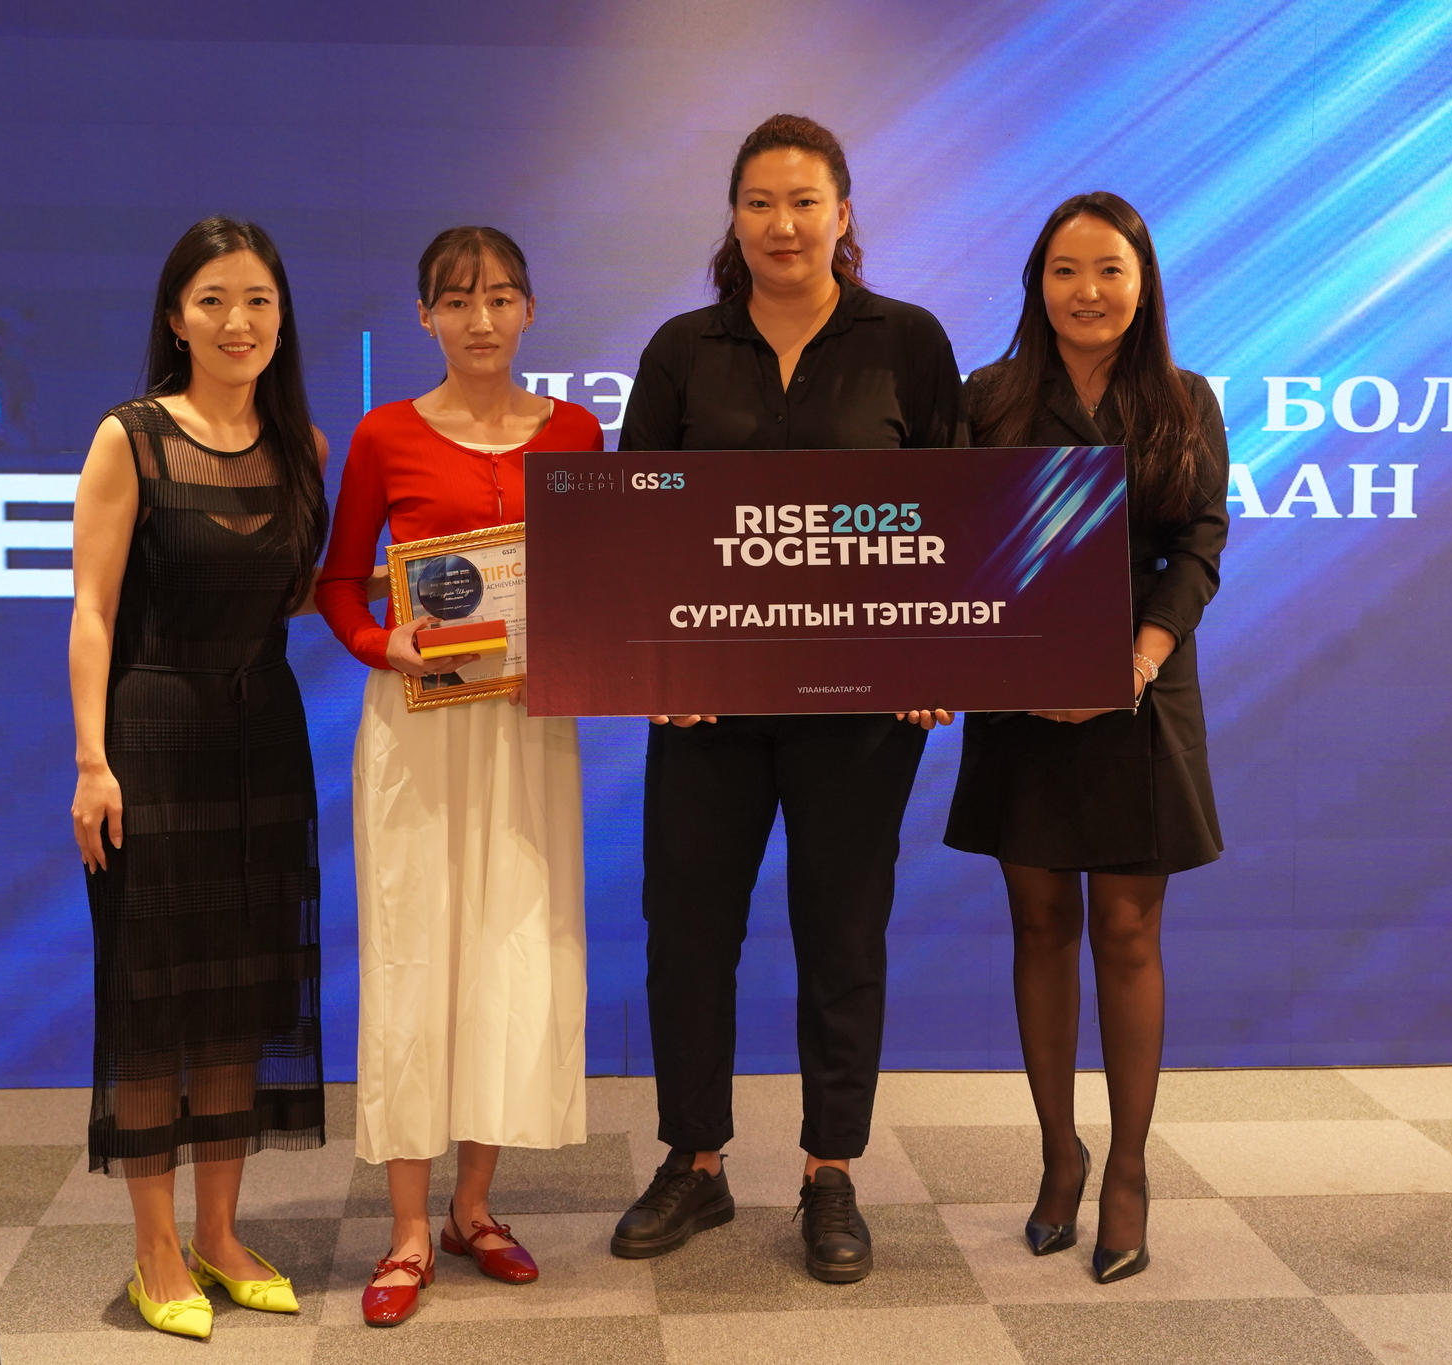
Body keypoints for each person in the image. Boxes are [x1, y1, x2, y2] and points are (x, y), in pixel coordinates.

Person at [608, 113, 962, 1285]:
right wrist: (651, 669)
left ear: (842, 214)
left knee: (841, 936)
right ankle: (695, 1161)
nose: (782, 224)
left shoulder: (907, 344)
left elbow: (953, 520)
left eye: (804, 201)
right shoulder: (682, 349)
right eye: (759, 202)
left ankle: (829, 1171)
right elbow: (634, 525)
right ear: (734, 216)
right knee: (686, 935)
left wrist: (936, 660)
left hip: (860, 714)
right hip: (705, 708)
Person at [315, 227, 603, 1328]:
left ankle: (472, 1209)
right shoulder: (384, 434)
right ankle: (403, 1230)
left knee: (509, 953)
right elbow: (340, 582)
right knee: (413, 955)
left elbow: (607, 575)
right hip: (420, 729)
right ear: (424, 316)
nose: (481, 319)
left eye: (501, 297)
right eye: (457, 300)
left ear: (529, 310)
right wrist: (377, 642)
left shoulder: (575, 433)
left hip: (528, 729)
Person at [945, 191, 1228, 1284]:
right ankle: (1057, 1154)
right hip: (1017, 695)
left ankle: (1128, 1169)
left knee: (1126, 930)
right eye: (1065, 270)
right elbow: (955, 543)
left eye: (1109, 269)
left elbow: (1198, 546)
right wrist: (1019, 667)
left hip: (1139, 687)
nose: (1087, 291)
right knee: (1040, 923)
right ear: (1037, 285)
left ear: (1143, 283)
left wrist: (1134, 659)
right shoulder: (989, 398)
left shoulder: (1185, 400)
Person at [68, 217, 331, 1338]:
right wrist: (92, 761)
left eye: (258, 299)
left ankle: (221, 1235)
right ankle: (156, 1249)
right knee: (154, 999)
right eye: (214, 299)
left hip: (263, 731)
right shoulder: (129, 437)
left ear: (282, 315)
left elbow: (295, 593)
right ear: (177, 317)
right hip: (151, 732)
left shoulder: (302, 443)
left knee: (240, 993)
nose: (238, 321)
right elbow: (93, 610)